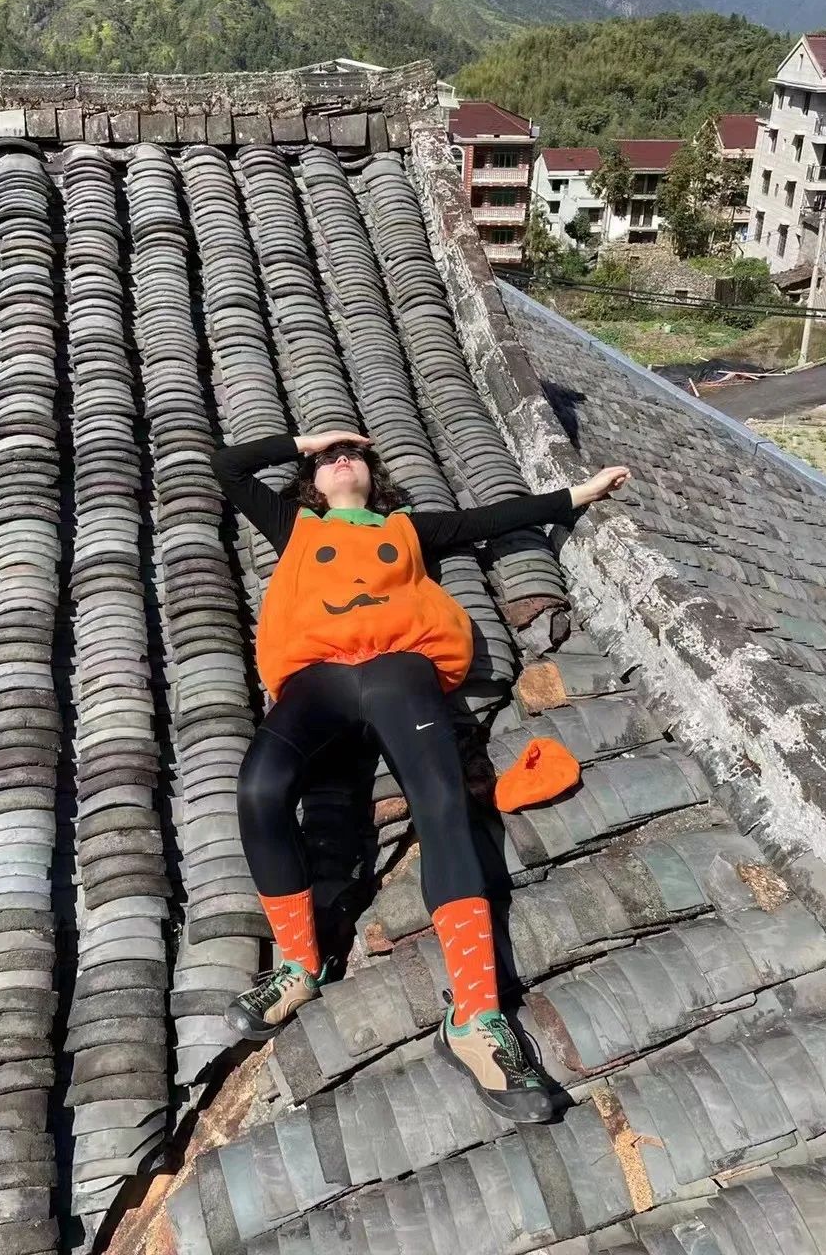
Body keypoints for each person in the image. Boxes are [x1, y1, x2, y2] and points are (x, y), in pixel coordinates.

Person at [211, 429, 630, 1121]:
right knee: (258, 789)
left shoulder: (406, 530)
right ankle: (299, 966)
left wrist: (580, 493)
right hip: (316, 678)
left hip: (401, 670)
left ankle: (476, 1017)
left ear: (375, 480)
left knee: (442, 805)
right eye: (327, 461)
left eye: (352, 455)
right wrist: (308, 440)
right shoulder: (297, 527)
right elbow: (227, 466)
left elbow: (495, 518)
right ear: (311, 482)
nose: (341, 460)